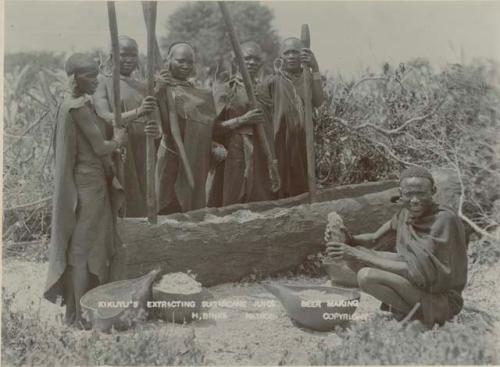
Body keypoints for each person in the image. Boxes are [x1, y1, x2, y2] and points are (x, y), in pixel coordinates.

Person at [44, 53, 128, 328]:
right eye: (90, 76)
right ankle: (79, 315)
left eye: (96, 74)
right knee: (81, 249)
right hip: (89, 186)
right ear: (74, 78)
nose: (95, 80)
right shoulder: (77, 107)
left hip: (84, 183)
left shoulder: (68, 104)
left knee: (81, 246)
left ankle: (76, 310)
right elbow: (100, 147)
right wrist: (117, 140)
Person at [327, 166, 468, 328]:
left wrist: (356, 254)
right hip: (418, 285)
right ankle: (408, 312)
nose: (414, 200)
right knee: (357, 257)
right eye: (409, 194)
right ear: (401, 193)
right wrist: (348, 239)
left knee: (366, 276)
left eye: (421, 193)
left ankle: (420, 316)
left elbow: (418, 273)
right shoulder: (405, 213)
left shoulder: (444, 220)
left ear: (433, 191)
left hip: (441, 300)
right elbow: (374, 238)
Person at [94, 35, 160, 217]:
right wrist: (138, 112)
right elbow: (107, 117)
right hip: (120, 148)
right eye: (123, 54)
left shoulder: (143, 86)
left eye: (133, 55)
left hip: (143, 150)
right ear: (112, 55)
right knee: (123, 195)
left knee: (145, 198)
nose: (129, 59)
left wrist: (155, 131)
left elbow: (156, 122)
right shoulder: (103, 82)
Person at [155, 42, 222, 214]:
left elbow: (208, 128)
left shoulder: (202, 93)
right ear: (167, 61)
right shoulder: (161, 89)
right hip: (172, 157)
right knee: (167, 207)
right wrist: (158, 91)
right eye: (180, 61)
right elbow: (156, 122)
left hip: (196, 160)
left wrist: (214, 144)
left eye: (190, 62)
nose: (186, 66)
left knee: (193, 212)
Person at [257, 37, 324, 199]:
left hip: (303, 141)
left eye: (295, 52)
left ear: (303, 55)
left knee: (303, 184)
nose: (292, 56)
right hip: (279, 142)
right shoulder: (272, 81)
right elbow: (262, 113)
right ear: (281, 57)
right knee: (280, 184)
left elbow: (318, 101)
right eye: (287, 52)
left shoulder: (307, 78)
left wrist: (315, 67)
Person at [209, 41, 270, 207]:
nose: (251, 62)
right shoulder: (225, 89)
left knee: (260, 200)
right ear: (236, 61)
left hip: (261, 152)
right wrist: (243, 120)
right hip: (234, 153)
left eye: (256, 59)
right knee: (232, 199)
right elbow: (212, 128)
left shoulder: (264, 90)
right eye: (247, 58)